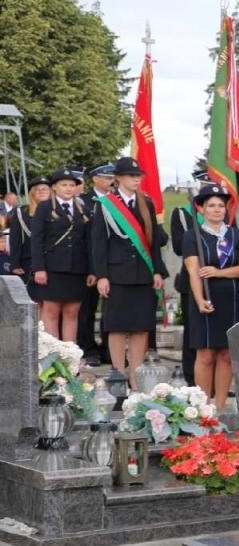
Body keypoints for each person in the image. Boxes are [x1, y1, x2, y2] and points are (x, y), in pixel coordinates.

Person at [88, 158, 168, 384]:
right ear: (119, 178)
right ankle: (117, 374)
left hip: (143, 274)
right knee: (117, 327)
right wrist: (102, 275)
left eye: (138, 175)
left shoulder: (146, 203)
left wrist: (157, 271)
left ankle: (136, 376)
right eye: (131, 175)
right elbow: (99, 243)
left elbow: (153, 241)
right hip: (117, 275)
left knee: (141, 328)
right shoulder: (105, 204)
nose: (136, 179)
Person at [183, 182, 239, 406]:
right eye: (211, 205)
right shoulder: (192, 236)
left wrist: (219, 272)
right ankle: (203, 408)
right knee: (205, 355)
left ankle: (220, 407)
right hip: (204, 299)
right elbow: (193, 270)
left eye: (221, 205)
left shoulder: (235, 235)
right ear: (201, 209)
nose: (217, 209)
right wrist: (199, 299)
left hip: (230, 299)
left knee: (225, 354)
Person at [29, 169, 92, 343]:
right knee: (51, 311)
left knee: (72, 312)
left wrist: (92, 270)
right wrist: (39, 268)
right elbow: (37, 240)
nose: (69, 188)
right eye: (64, 185)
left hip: (77, 268)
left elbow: (89, 242)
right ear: (54, 187)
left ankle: (70, 354)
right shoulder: (45, 207)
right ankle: (53, 354)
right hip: (52, 268)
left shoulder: (83, 209)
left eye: (72, 185)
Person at [78, 163, 117, 364]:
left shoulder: (117, 201)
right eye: (107, 178)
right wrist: (92, 268)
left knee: (112, 310)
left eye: (113, 178)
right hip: (90, 263)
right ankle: (88, 349)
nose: (111, 181)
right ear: (95, 179)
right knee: (87, 309)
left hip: (115, 263)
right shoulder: (83, 201)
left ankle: (109, 349)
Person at [168, 179, 202, 385]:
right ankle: (191, 379)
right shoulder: (182, 214)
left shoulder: (224, 214)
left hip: (218, 279)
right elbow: (179, 247)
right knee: (192, 331)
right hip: (191, 279)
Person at [9, 178, 50, 301]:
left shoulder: (58, 211)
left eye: (45, 189)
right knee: (32, 300)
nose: (41, 191)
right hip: (28, 261)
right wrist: (14, 263)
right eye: (37, 189)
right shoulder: (21, 212)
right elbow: (15, 239)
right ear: (32, 193)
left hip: (53, 261)